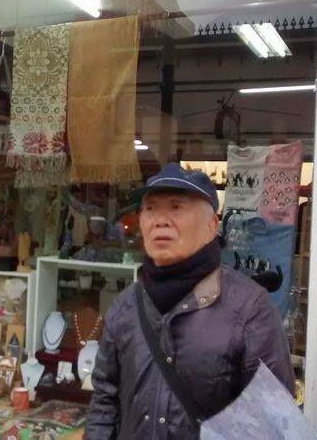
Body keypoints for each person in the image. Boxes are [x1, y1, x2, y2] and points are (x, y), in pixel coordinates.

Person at [84, 163, 294, 439]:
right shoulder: (125, 307)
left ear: (211, 226)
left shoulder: (249, 309)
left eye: (176, 208)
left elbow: (274, 419)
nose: (160, 219)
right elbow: (104, 402)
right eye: (150, 209)